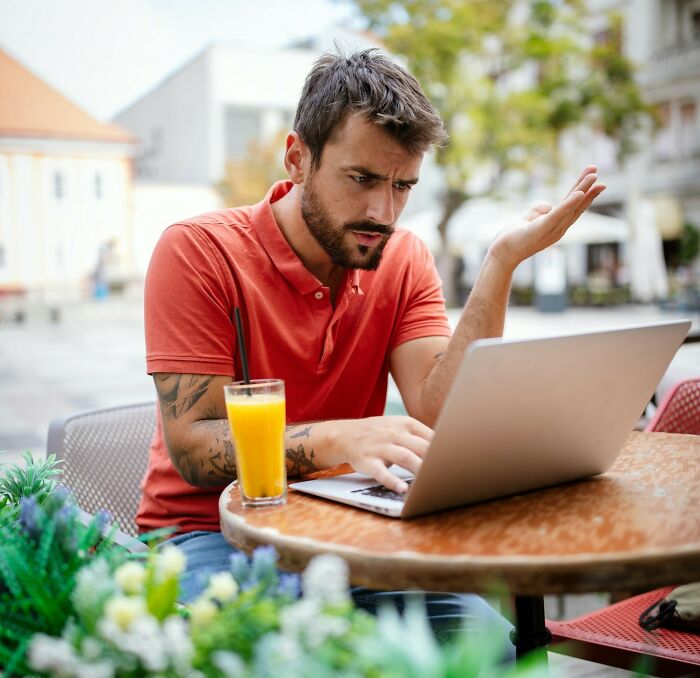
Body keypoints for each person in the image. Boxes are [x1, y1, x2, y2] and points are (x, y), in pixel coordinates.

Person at [138, 49, 605, 640]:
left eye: (403, 185)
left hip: (344, 529)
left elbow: (441, 411)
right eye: (361, 179)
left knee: (488, 646)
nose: (382, 211)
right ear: (297, 157)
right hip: (209, 534)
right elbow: (194, 447)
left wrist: (501, 262)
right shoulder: (197, 252)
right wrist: (341, 436)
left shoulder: (402, 256)